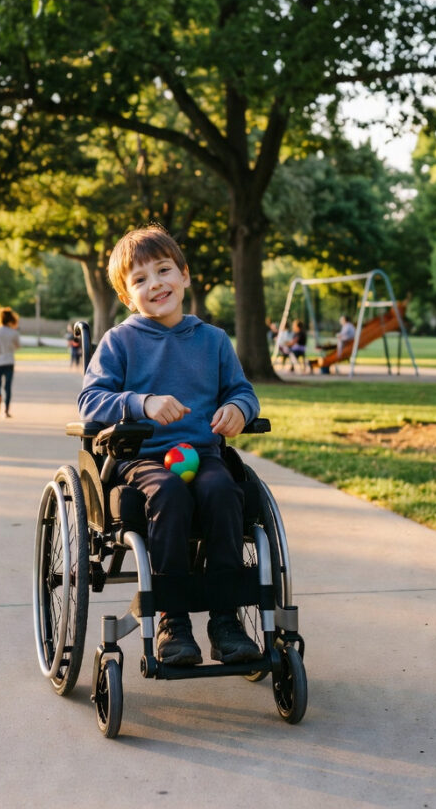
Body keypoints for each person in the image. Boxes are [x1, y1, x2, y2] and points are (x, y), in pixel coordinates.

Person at [78, 225, 263, 667]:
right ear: (127, 297)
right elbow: (90, 402)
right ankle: (172, 621)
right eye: (139, 280)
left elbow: (243, 391)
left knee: (222, 492)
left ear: (184, 275)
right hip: (139, 459)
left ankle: (225, 621)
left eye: (163, 271)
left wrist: (240, 410)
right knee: (170, 493)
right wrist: (142, 403)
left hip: (204, 454)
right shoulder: (119, 342)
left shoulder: (213, 341)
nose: (155, 284)